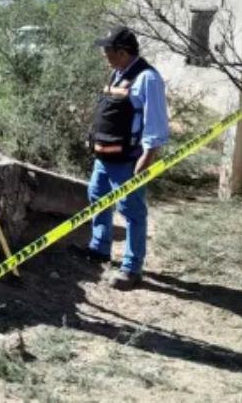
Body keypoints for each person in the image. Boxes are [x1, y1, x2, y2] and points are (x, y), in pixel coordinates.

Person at [72, 26, 169, 290]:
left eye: (108, 50)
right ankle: (99, 249)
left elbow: (155, 123)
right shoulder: (118, 74)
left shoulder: (148, 78)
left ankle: (131, 268)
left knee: (131, 211)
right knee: (97, 199)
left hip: (128, 160)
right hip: (104, 158)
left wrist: (147, 158)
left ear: (123, 52)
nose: (105, 55)